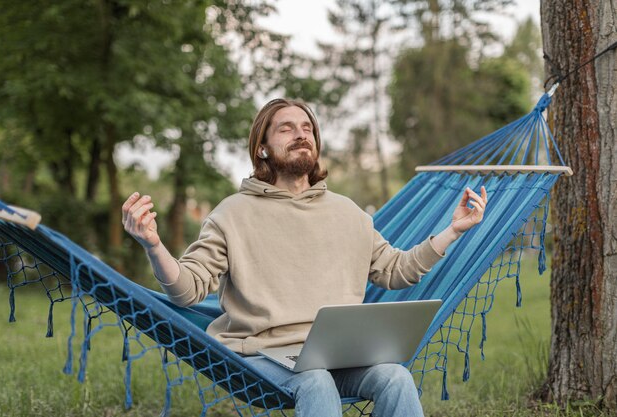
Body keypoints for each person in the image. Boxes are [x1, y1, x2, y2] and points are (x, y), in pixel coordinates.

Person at [122, 98, 488, 417]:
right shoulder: (231, 214)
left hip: (336, 355)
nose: (301, 134)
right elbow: (187, 292)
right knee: (315, 381)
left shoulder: (348, 213)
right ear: (262, 148)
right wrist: (154, 245)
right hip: (262, 358)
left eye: (307, 128)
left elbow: (396, 271)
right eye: (286, 129)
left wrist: (452, 230)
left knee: (395, 376)